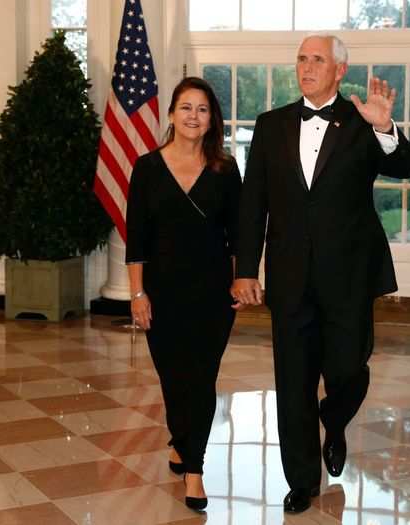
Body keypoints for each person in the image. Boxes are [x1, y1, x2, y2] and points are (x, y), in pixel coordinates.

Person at [231, 34, 410, 513]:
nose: (307, 67)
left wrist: (386, 128)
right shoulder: (271, 125)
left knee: (348, 368)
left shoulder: (362, 122)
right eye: (301, 59)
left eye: (318, 60)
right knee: (292, 381)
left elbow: (405, 166)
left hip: (350, 275)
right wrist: (246, 269)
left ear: (339, 71)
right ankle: (301, 480)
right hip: (291, 277)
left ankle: (333, 423)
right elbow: (253, 205)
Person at [125, 76, 242, 513]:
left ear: (213, 119)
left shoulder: (225, 169)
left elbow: (240, 234)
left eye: (203, 109)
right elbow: (136, 238)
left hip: (213, 294)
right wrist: (137, 294)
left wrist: (240, 278)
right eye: (186, 108)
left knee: (201, 379)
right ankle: (181, 442)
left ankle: (194, 467)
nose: (194, 116)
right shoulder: (146, 168)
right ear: (172, 114)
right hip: (163, 292)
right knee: (174, 379)